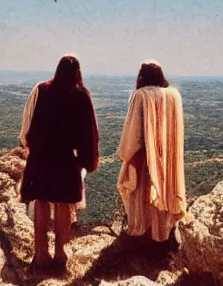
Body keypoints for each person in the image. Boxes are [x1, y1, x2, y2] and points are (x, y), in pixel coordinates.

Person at [19, 55, 99, 271]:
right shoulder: (81, 95)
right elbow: (89, 132)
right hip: (65, 158)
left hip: (41, 156)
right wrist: (86, 160)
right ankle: (61, 256)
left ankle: (40, 255)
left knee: (41, 202)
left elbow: (27, 124)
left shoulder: (41, 90)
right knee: (63, 204)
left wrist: (30, 147)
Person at [117, 60, 186, 243]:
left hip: (145, 156)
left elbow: (134, 131)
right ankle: (163, 235)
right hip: (168, 157)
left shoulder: (140, 95)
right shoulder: (174, 96)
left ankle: (144, 236)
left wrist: (127, 153)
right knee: (164, 189)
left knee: (142, 193)